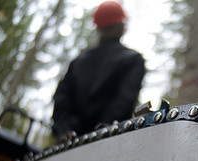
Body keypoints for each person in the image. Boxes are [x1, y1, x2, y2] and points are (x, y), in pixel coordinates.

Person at [52, 0, 145, 140]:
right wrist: (102, 130)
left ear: (98, 28)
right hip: (108, 140)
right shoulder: (133, 60)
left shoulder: (78, 61)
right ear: (121, 27)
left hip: (70, 141)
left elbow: (61, 99)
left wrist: (65, 130)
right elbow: (124, 102)